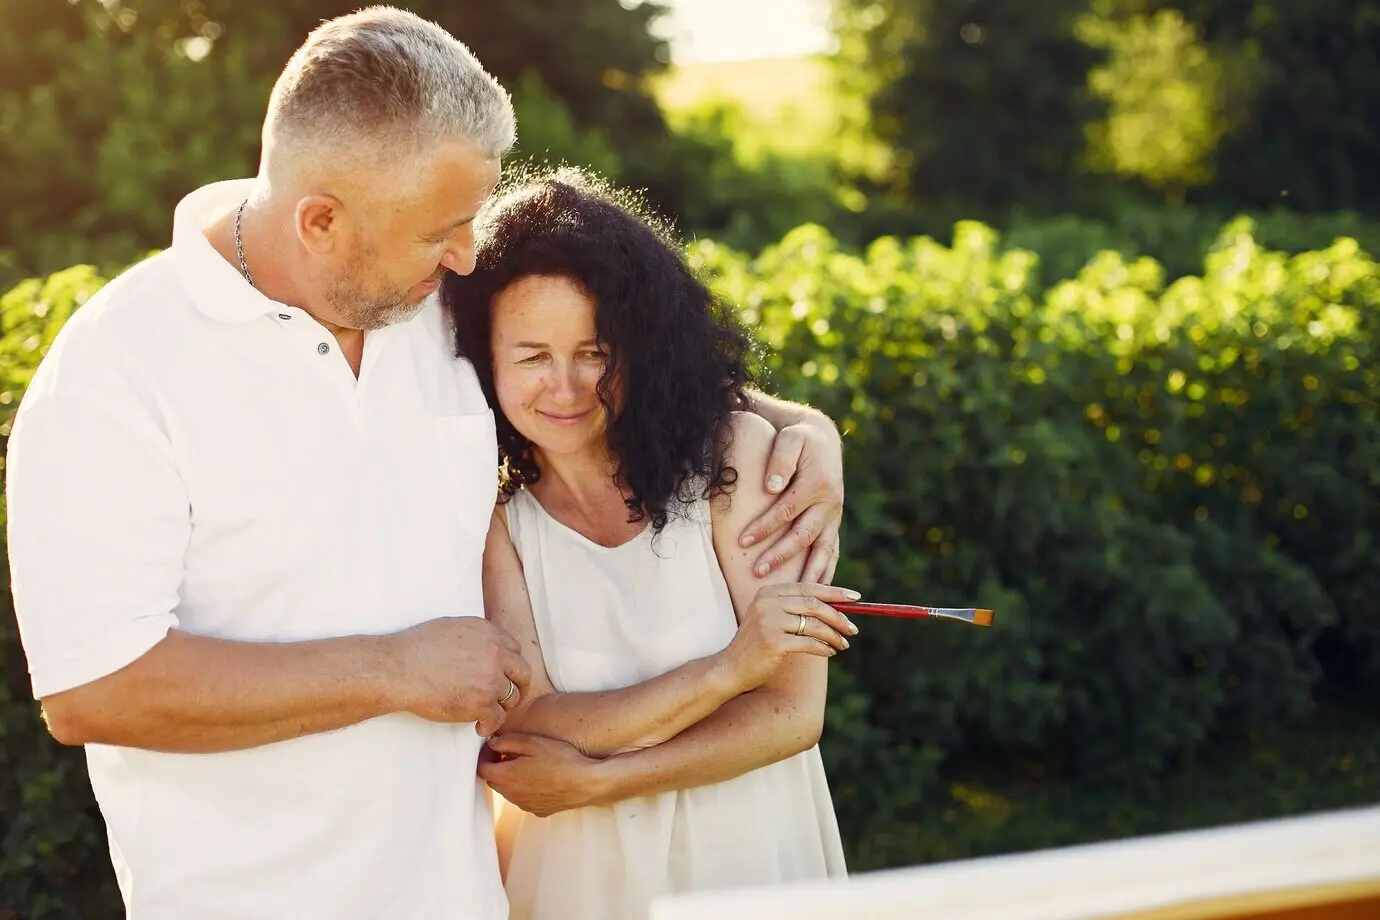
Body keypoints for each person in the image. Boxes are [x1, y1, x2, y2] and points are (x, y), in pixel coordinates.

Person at [4, 9, 846, 920]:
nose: (468, 255)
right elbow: (93, 691)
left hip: (463, 894)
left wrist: (797, 429)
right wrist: (394, 670)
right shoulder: (114, 374)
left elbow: (612, 374)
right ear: (320, 220)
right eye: (439, 230)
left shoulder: (428, 308)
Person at [440, 170, 851, 920]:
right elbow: (529, 725)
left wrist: (602, 779)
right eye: (532, 356)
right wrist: (729, 670)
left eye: (594, 353)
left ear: (642, 347)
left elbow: (793, 713)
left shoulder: (740, 462)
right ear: (481, 358)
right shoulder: (489, 516)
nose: (565, 388)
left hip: (748, 858)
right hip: (574, 879)